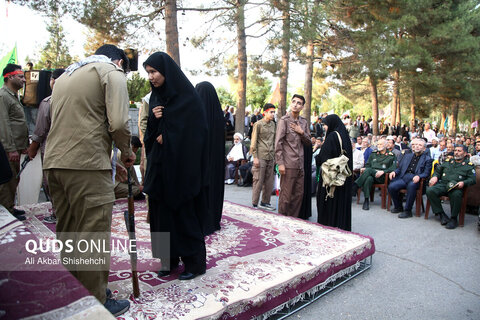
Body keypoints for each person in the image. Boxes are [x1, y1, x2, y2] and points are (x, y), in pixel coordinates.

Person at [43, 45, 134, 316]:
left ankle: (73, 294)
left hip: (55, 164)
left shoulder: (65, 77)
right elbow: (117, 122)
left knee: (69, 232)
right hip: (86, 167)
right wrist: (127, 152)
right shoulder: (110, 72)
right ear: (119, 62)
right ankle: (95, 302)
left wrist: (111, 160)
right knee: (92, 233)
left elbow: (78, 123)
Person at [143, 52, 208, 281]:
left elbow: (197, 133)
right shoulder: (155, 98)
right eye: (148, 72)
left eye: (154, 72)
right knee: (160, 216)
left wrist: (168, 135)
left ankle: (194, 263)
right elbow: (150, 136)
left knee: (183, 215)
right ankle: (167, 260)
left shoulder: (187, 98)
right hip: (160, 167)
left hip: (181, 170)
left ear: (166, 72)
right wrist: (155, 121)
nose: (151, 77)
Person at [26, 68, 65, 224]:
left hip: (51, 151)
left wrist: (32, 149)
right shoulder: (76, 100)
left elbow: (40, 130)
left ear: (53, 81)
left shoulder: (48, 102)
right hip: (72, 149)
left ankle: (57, 214)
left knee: (52, 184)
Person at [275, 94, 311, 217]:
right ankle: (282, 220)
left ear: (302, 107)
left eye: (299, 103)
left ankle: (293, 221)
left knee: (298, 196)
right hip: (288, 164)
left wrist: (301, 132)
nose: (296, 104)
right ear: (291, 103)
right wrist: (280, 163)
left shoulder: (304, 122)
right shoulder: (284, 121)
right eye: (294, 102)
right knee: (286, 195)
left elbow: (308, 142)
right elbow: (278, 143)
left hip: (300, 164)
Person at [195, 81, 225, 234]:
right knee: (214, 188)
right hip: (216, 164)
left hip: (201, 164)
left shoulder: (196, 116)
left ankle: (202, 220)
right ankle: (213, 219)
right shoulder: (219, 117)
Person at [0, 63, 28, 221]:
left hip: (16, 148)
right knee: (7, 180)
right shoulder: (3, 96)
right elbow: (3, 124)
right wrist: (10, 149)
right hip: (7, 149)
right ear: (9, 77)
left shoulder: (12, 96)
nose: (24, 80)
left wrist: (22, 146)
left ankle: (9, 206)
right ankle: (5, 212)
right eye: (20, 76)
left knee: (13, 180)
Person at [315, 114, 353, 231]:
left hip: (332, 178)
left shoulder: (332, 136)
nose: (324, 127)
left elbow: (322, 158)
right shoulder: (344, 135)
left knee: (328, 200)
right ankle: (340, 225)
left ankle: (329, 224)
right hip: (343, 177)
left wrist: (317, 149)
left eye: (325, 124)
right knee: (340, 203)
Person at [426, 145, 476, 229]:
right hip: (444, 185)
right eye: (455, 150)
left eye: (459, 151)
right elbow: (438, 171)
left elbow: (472, 179)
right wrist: (435, 176)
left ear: (465, 153)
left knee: (456, 194)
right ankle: (441, 214)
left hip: (456, 187)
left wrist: (463, 182)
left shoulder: (469, 165)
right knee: (430, 190)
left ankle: (453, 218)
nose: (456, 152)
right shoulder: (448, 161)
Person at [388, 138, 432, 218]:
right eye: (415, 145)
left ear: (424, 148)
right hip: (404, 178)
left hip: (416, 180)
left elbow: (426, 173)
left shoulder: (427, 159)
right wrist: (394, 172)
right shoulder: (407, 156)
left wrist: (419, 176)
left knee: (411, 186)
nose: (417, 147)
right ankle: (398, 206)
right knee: (391, 186)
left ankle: (408, 210)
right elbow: (400, 168)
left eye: (420, 145)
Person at [354, 138, 396, 210]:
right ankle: (366, 201)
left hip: (382, 177)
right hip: (371, 175)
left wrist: (383, 172)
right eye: (378, 144)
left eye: (381, 144)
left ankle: (356, 185)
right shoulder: (374, 154)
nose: (379, 146)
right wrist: (365, 168)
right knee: (368, 179)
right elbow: (367, 165)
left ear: (386, 145)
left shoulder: (391, 155)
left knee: (369, 171)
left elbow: (393, 168)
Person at [250, 103, 276, 210]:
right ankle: (255, 203)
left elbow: (274, 141)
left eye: (274, 112)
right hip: (260, 155)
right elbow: (253, 141)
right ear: (265, 112)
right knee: (258, 180)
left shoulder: (273, 124)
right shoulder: (258, 124)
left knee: (269, 181)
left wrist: (275, 156)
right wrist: (255, 157)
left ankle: (265, 202)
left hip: (270, 156)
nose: (273, 114)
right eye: (271, 112)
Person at [113, 136, 144, 200]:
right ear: (132, 146)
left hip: (119, 182)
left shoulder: (128, 156)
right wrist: (138, 187)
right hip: (115, 185)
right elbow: (125, 175)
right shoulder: (122, 154)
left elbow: (132, 173)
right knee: (136, 190)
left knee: (137, 189)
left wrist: (137, 185)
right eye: (136, 148)